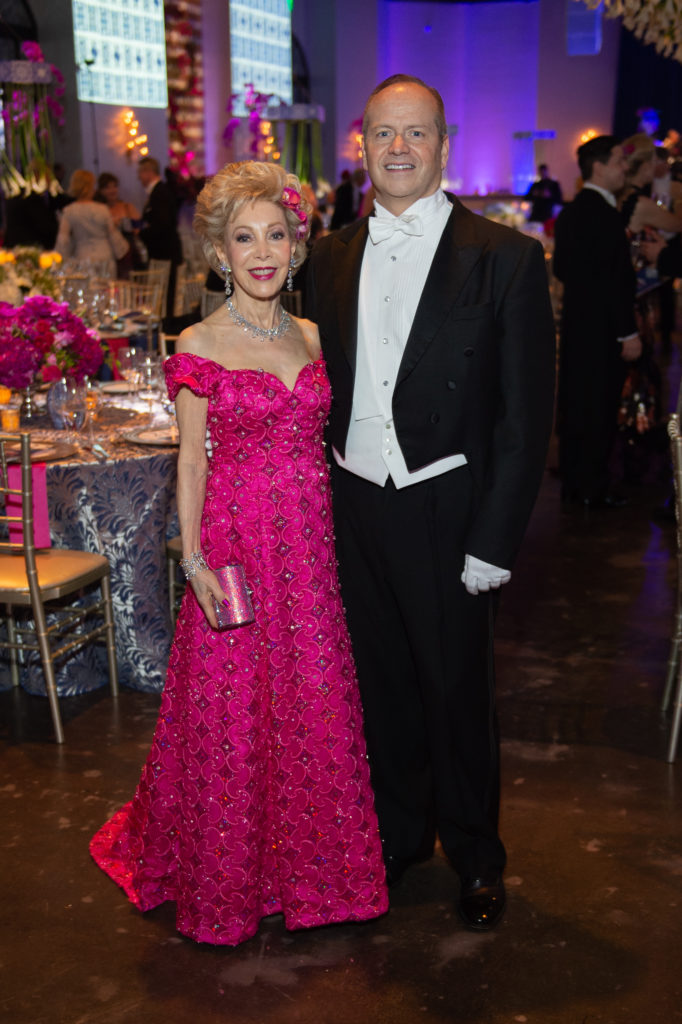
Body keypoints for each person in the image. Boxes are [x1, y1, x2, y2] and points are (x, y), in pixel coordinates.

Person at [90, 160, 388, 946]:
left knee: (312, 699)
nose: (262, 252)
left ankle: (317, 875)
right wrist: (192, 565)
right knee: (232, 708)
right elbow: (190, 461)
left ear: (296, 247)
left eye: (277, 235)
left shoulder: (314, 334)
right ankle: (226, 875)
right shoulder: (199, 340)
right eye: (243, 238)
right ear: (220, 253)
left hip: (309, 548)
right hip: (235, 544)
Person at [306, 74, 555, 931]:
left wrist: (495, 540)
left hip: (448, 507)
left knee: (456, 694)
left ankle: (477, 855)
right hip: (354, 503)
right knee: (381, 689)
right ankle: (399, 839)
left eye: (417, 134)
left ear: (444, 145)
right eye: (384, 134)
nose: (400, 148)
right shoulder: (329, 255)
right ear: (363, 146)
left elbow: (526, 420)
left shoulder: (507, 257)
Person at [553, 136, 643, 507]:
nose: (625, 169)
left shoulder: (570, 212)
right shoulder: (606, 216)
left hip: (577, 327)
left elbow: (561, 268)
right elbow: (615, 282)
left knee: (576, 403)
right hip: (605, 330)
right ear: (600, 166)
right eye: (620, 162)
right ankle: (594, 487)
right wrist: (628, 332)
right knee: (601, 406)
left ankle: (576, 485)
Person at [55, 169, 128, 273]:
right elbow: (113, 235)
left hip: (83, 257)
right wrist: (122, 250)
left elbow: (63, 240)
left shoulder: (69, 211)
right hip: (105, 257)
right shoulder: (102, 209)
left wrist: (62, 260)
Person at [137, 156, 183, 315]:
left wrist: (141, 233)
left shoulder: (160, 193)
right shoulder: (158, 192)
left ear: (148, 172)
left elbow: (162, 225)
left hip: (165, 254)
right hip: (164, 253)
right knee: (162, 298)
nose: (138, 177)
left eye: (140, 173)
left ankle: (165, 332)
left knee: (164, 298)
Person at [95, 172, 144, 276]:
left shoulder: (127, 207)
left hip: (129, 253)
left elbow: (139, 227)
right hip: (109, 253)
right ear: (101, 190)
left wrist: (128, 225)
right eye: (108, 187)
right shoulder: (99, 210)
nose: (112, 190)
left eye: (115, 186)